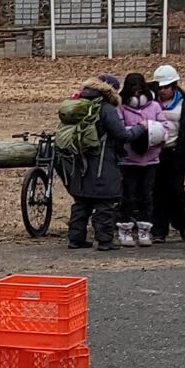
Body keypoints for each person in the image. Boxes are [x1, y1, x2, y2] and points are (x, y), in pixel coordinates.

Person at [55, 73, 124, 250]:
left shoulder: (81, 104)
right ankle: (105, 240)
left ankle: (75, 238)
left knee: (81, 204)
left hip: (79, 164)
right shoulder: (106, 108)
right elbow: (122, 134)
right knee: (104, 205)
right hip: (102, 165)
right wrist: (141, 128)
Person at [113, 71, 170, 246]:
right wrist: (138, 128)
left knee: (147, 196)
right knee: (128, 196)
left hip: (150, 159)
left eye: (140, 90)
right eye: (133, 90)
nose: (137, 93)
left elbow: (165, 128)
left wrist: (155, 130)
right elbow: (120, 131)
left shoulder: (155, 107)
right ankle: (125, 229)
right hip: (128, 160)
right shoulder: (121, 109)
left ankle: (145, 230)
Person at [149, 63, 185, 242]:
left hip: (176, 154)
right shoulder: (152, 104)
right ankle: (159, 230)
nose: (163, 91)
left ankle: (182, 224)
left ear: (174, 86)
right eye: (160, 87)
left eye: (166, 87)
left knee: (177, 192)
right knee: (157, 193)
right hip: (156, 153)